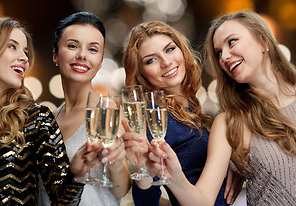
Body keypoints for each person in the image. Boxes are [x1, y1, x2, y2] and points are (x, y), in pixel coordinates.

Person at [147, 10, 296, 205]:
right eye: (218, 53)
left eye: (232, 42)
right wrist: (176, 178)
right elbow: (202, 202)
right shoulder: (229, 123)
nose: (224, 56)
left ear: (263, 41)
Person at [0, 17, 96, 205]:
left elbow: (63, 201)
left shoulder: (37, 119)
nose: (24, 58)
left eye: (26, 52)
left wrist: (76, 175)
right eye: (12, 46)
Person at [121, 21, 242, 206]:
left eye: (169, 49)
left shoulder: (191, 106)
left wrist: (232, 164)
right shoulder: (157, 120)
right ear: (141, 73)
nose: (166, 62)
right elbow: (146, 201)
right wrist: (143, 170)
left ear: (182, 50)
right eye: (151, 60)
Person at [38, 12, 131, 206]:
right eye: (72, 46)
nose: (82, 55)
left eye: (93, 49)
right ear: (55, 54)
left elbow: (121, 189)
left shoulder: (108, 111)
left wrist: (115, 161)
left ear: (99, 61)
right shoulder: (48, 119)